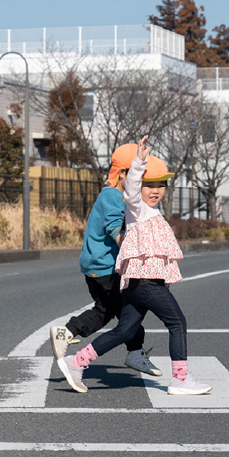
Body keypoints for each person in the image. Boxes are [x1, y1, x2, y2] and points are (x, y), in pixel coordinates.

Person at [60, 136, 211, 396]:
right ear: (137, 186)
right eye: (149, 185)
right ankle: (181, 379)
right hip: (145, 282)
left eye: (161, 185)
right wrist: (139, 161)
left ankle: (76, 362)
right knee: (177, 323)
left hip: (136, 282)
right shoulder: (136, 207)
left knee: (125, 330)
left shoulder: (152, 212)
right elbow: (130, 189)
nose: (155, 190)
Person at [48, 143, 162, 379]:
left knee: (107, 310)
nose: (142, 179)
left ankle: (68, 332)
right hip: (107, 268)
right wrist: (136, 248)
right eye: (138, 174)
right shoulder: (114, 196)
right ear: (123, 174)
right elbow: (114, 228)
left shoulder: (111, 192)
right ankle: (133, 352)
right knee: (131, 312)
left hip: (97, 267)